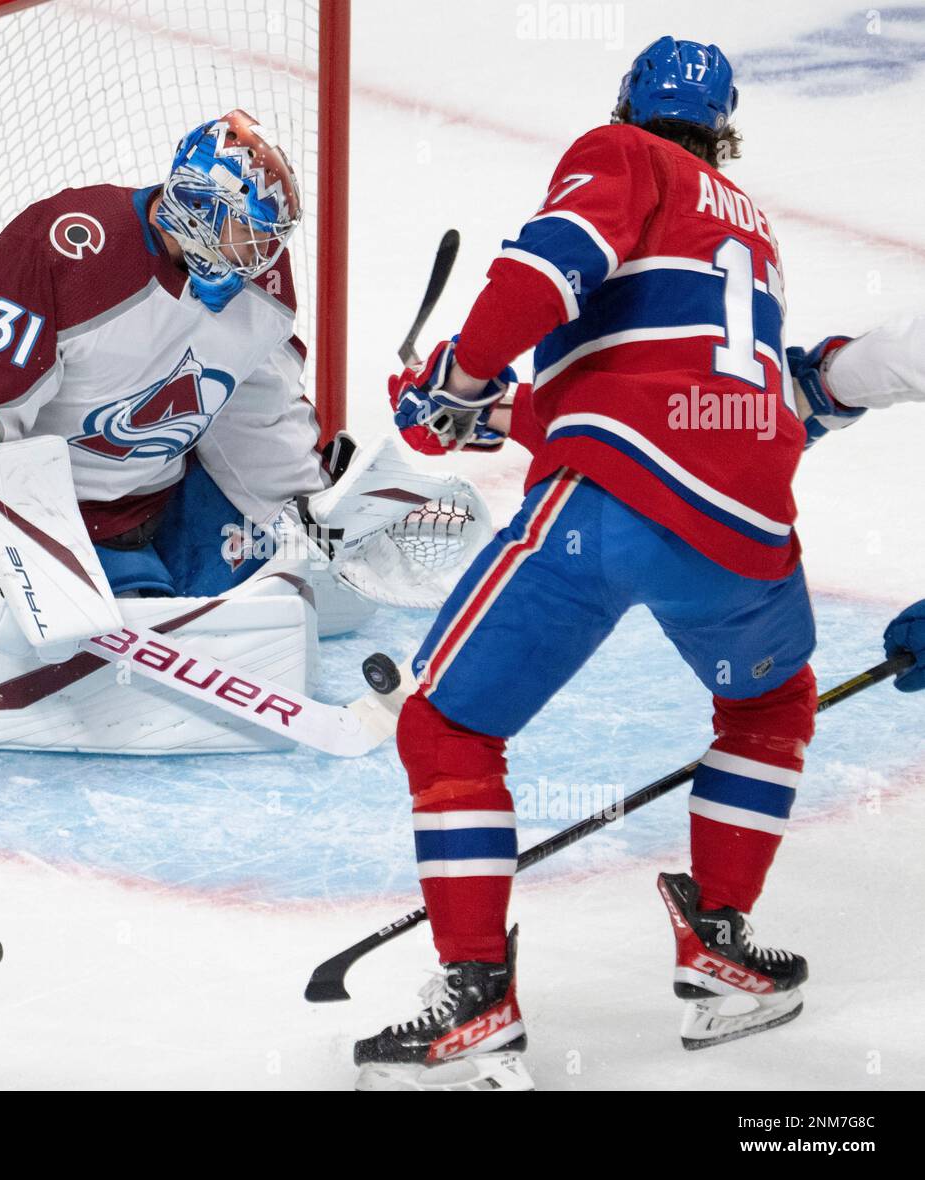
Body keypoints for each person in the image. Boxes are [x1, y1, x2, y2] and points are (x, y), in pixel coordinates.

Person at [354, 36, 925, 1092]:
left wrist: (464, 373)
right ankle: (720, 941)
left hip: (610, 509)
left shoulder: (623, 156)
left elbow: (546, 272)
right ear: (724, 131)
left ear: (627, 108)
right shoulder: (752, 238)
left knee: (446, 723)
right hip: (746, 533)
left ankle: (475, 996)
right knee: (768, 709)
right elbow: (703, 400)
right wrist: (490, 414)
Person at [0, 108, 326, 605]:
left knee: (280, 590)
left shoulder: (257, 286)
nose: (263, 254)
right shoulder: (72, 251)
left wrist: (311, 507)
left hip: (159, 489)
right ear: (201, 206)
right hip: (50, 504)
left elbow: (260, 406)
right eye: (248, 231)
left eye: (271, 237)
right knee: (129, 645)